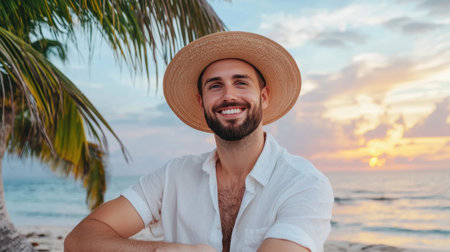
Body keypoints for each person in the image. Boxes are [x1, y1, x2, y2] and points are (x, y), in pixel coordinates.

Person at [64, 31, 334, 252]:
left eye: (241, 83)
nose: (228, 96)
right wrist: (162, 251)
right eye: (215, 86)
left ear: (263, 97)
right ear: (201, 101)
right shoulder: (174, 176)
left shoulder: (303, 183)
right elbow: (79, 240)